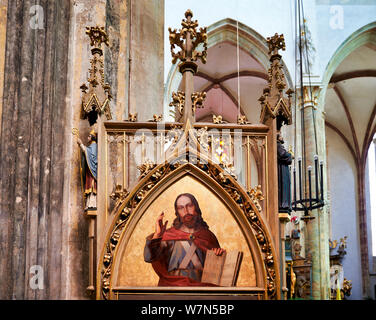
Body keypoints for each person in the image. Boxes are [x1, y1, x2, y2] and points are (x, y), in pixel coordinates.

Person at [144, 193, 225, 286]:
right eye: (181, 208)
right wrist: (157, 235)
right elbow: (149, 257)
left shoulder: (207, 236)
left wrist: (218, 255)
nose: (186, 211)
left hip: (201, 290)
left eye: (189, 206)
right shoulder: (169, 235)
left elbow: (216, 272)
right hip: (174, 288)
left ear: (196, 208)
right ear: (177, 212)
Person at [77, 129, 97, 212]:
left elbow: (90, 155)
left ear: (92, 137)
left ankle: (92, 204)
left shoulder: (94, 146)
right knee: (89, 187)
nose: (87, 137)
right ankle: (89, 204)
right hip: (90, 170)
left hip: (93, 170)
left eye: (89, 136)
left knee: (92, 187)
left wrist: (81, 144)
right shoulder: (91, 146)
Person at [277, 133, 292, 213]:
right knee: (284, 184)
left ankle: (285, 204)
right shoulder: (278, 145)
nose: (282, 137)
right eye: (281, 136)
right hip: (281, 169)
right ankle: (283, 204)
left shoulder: (279, 145)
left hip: (283, 168)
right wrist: (290, 155)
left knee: (285, 184)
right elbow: (283, 154)